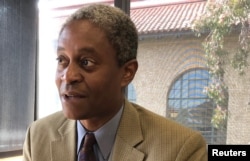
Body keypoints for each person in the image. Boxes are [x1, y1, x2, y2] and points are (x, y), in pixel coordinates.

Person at [23, 4, 207, 161]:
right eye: (62, 60)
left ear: (127, 72)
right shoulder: (38, 136)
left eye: (86, 62)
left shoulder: (181, 149)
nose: (68, 76)